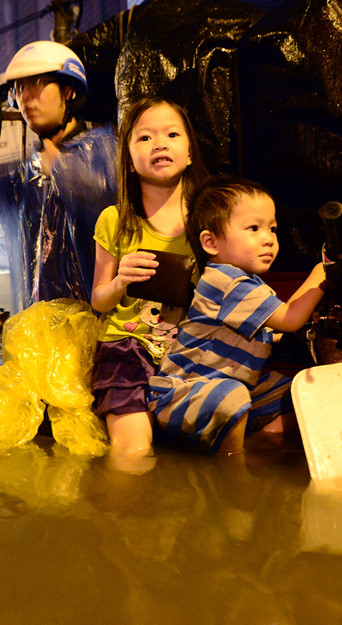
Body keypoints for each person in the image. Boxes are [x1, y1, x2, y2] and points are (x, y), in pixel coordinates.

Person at [147, 176, 328, 455]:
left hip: (231, 386)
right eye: (254, 228)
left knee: (297, 393)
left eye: (273, 229)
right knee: (232, 396)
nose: (268, 238)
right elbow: (290, 318)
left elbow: (270, 331)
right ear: (211, 242)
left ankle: (257, 442)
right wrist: (322, 272)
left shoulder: (249, 283)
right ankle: (233, 468)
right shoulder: (229, 282)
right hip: (183, 394)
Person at [0, 41, 117, 311]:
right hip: (38, 329)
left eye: (37, 83)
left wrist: (63, 170)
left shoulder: (101, 149)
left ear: (69, 91)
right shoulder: (33, 168)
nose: (25, 97)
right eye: (19, 89)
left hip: (96, 328)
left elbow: (107, 202)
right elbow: (10, 193)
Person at [90, 97, 209, 459]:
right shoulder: (113, 219)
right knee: (133, 449)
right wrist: (119, 282)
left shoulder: (210, 220)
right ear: (128, 159)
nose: (159, 143)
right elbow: (98, 300)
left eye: (172, 134)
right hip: (125, 349)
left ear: (189, 152)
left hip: (193, 351)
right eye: (144, 138)